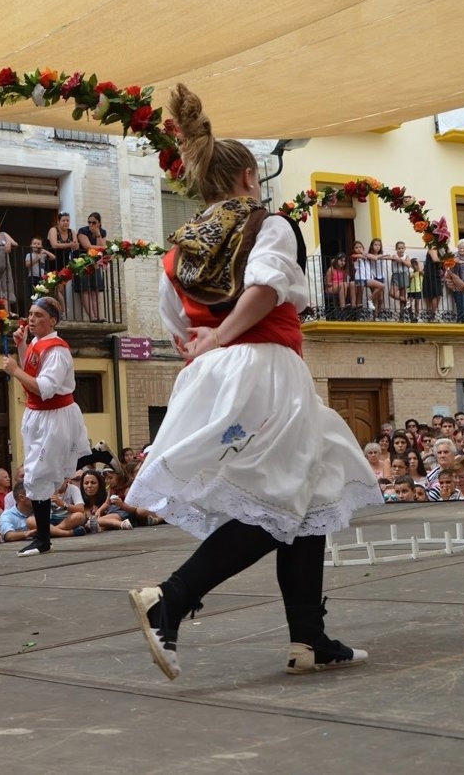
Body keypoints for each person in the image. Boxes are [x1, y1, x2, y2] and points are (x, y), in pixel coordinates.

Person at [124, 84, 379, 680]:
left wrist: (210, 340)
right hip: (265, 368)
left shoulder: (177, 252)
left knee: (312, 491)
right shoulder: (268, 224)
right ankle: (171, 597)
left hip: (216, 374)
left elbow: (177, 327)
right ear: (246, 178)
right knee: (279, 499)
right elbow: (265, 289)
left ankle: (308, 638)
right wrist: (225, 333)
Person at [2, 296, 89, 556]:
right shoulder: (37, 343)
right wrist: (22, 347)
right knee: (38, 473)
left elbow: (45, 388)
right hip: (38, 415)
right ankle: (43, 538)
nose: (31, 319)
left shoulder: (57, 350)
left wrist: (14, 370)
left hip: (54, 415)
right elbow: (32, 371)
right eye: (30, 314)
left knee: (37, 474)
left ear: (52, 321)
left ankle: (43, 539)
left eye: (39, 315)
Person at [76, 212, 108, 321]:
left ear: (99, 223)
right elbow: (87, 247)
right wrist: (102, 247)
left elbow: (102, 249)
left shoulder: (102, 232)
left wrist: (98, 235)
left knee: (95, 289)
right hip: (82, 263)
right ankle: (92, 316)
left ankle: (99, 316)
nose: (91, 224)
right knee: (85, 289)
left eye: (93, 222)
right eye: (89, 222)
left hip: (95, 263)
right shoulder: (82, 231)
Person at [23, 236, 55, 305]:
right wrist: (37, 258)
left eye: (38, 244)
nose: (36, 245)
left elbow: (53, 257)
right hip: (32, 277)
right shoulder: (29, 255)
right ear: (31, 246)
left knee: (41, 295)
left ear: (41, 246)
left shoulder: (43, 255)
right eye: (34, 243)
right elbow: (27, 265)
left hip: (41, 278)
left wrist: (45, 251)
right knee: (33, 295)